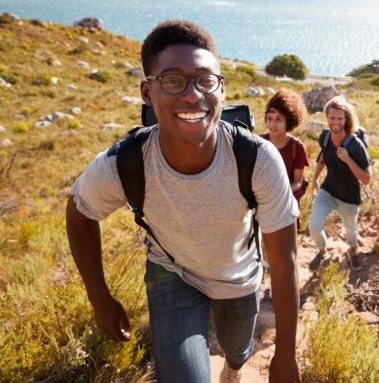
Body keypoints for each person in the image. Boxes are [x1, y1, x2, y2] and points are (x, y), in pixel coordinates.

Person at [66, 20, 301, 383]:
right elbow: (79, 215)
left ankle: (235, 368)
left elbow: (284, 261)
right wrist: (100, 298)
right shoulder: (124, 164)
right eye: (173, 81)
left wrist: (286, 355)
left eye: (206, 80)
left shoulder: (257, 159)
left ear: (221, 90)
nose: (193, 95)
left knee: (237, 349)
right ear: (148, 92)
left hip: (237, 276)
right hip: (171, 271)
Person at [308, 96, 371, 271]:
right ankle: (322, 252)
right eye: (332, 118)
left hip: (349, 197)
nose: (335, 122)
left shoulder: (356, 145)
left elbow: (366, 179)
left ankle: (353, 251)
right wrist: (314, 180)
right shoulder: (326, 137)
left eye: (340, 118)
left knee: (351, 232)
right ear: (327, 118)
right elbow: (322, 158)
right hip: (328, 191)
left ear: (346, 119)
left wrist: (348, 160)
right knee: (314, 227)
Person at [261, 88, 310, 213]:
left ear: (288, 121)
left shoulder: (297, 147)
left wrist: (278, 193)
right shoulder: (258, 142)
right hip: (261, 205)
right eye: (270, 118)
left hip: (285, 206)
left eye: (278, 119)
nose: (272, 124)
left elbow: (297, 183)